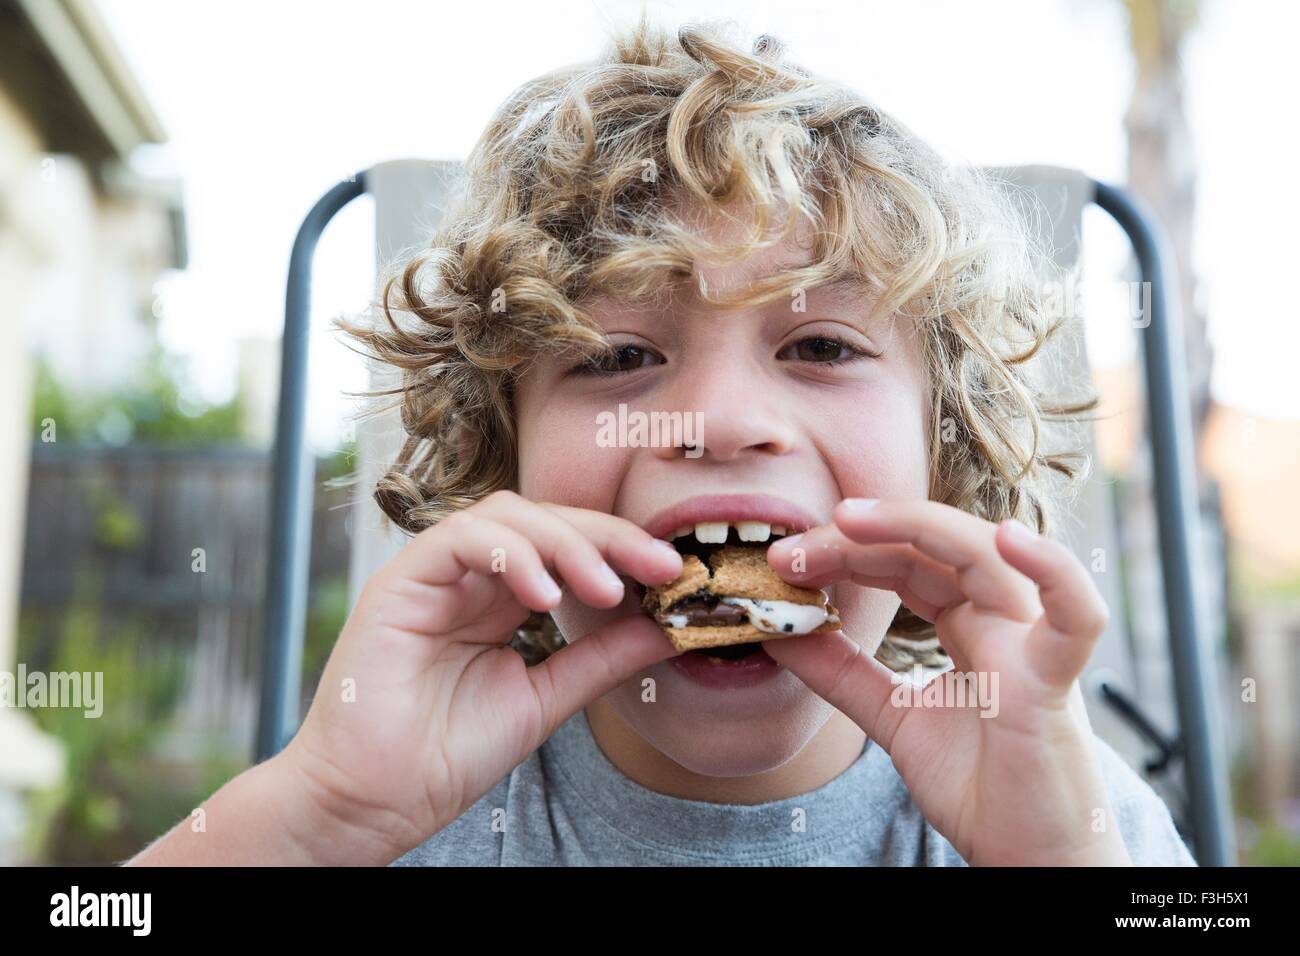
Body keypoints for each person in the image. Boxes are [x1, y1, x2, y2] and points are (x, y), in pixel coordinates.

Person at [130, 17, 1196, 867]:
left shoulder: (1062, 807)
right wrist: (314, 821)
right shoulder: (384, 812)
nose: (720, 420)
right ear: (502, 469)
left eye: (821, 344)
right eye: (611, 355)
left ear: (945, 458)